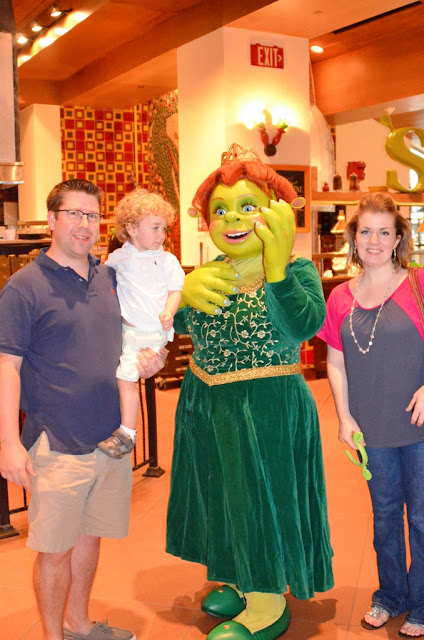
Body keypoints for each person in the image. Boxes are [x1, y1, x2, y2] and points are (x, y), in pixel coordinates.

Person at [166, 144, 334, 640]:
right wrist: (175, 296)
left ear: (275, 213)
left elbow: (305, 324)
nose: (232, 218)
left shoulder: (297, 270)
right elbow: (168, 325)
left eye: (246, 206)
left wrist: (277, 271)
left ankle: (266, 600)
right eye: (220, 210)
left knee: (261, 501)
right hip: (206, 404)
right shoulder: (206, 272)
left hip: (267, 411)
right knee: (222, 499)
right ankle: (239, 580)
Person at [0, 179, 166, 640]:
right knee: (55, 549)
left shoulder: (110, 277)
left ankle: (79, 624)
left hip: (110, 439)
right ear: (52, 219)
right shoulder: (24, 287)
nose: (83, 224)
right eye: (73, 213)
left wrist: (151, 360)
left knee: (90, 537)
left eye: (92, 215)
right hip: (56, 440)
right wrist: (9, 443)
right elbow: (7, 368)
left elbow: (132, 340)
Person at [317, 192, 424, 638]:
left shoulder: (418, 283)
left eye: (384, 232)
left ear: (398, 238)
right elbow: (335, 361)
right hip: (369, 429)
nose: (374, 240)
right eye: (366, 231)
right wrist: (344, 416)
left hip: (419, 426)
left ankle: (422, 604)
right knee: (385, 518)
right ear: (354, 238)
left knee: (422, 519)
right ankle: (390, 596)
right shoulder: (341, 296)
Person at [97, 188, 185, 459]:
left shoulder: (167, 260)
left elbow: (175, 291)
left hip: (150, 331)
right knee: (122, 376)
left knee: (125, 378)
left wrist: (169, 312)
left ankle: (127, 434)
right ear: (132, 229)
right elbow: (103, 273)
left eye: (164, 229)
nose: (161, 235)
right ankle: (124, 430)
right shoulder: (120, 257)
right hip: (128, 330)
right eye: (155, 228)